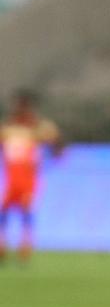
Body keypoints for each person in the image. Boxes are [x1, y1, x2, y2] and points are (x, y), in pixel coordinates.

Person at [0, 91, 61, 263]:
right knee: (4, 210)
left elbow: (56, 144)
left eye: (24, 107)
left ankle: (25, 243)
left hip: (28, 180)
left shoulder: (37, 129)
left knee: (25, 209)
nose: (21, 111)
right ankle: (3, 243)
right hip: (12, 179)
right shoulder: (8, 129)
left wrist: (54, 154)